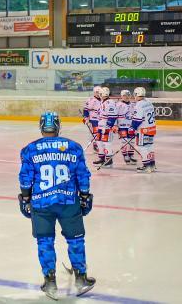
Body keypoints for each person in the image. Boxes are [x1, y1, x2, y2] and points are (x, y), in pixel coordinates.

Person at [18, 111, 95, 299]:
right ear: (58, 126)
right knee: (75, 240)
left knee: (45, 241)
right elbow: (82, 175)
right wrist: (84, 195)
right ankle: (81, 278)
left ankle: (50, 281)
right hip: (69, 201)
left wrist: (26, 198)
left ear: (41, 126)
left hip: (41, 203)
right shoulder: (73, 147)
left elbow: (25, 179)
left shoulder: (30, 149)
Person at [131, 87, 156, 172]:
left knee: (142, 147)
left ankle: (146, 165)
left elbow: (137, 119)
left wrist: (132, 128)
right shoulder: (149, 102)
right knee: (149, 146)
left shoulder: (139, 104)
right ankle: (152, 164)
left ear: (136, 94)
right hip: (151, 128)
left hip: (143, 130)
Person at [95, 87, 116, 167]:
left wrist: (108, 126)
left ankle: (109, 161)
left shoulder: (109, 103)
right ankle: (102, 159)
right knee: (99, 142)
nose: (99, 95)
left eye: (100, 93)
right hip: (101, 127)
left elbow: (113, 116)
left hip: (106, 127)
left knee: (107, 143)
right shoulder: (103, 102)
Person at [115, 90, 136, 164]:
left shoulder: (133, 105)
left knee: (132, 141)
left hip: (131, 126)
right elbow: (114, 116)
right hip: (122, 126)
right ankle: (125, 155)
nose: (126, 97)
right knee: (124, 141)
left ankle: (131, 154)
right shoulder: (118, 105)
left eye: (128, 95)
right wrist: (115, 125)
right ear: (121, 96)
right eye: (124, 95)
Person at [81, 86, 103, 153]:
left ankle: (99, 145)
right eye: (97, 92)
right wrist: (86, 118)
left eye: (99, 92)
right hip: (93, 119)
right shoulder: (90, 99)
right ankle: (95, 145)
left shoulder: (103, 100)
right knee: (95, 133)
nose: (98, 93)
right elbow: (85, 109)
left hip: (101, 119)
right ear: (94, 92)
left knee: (101, 133)